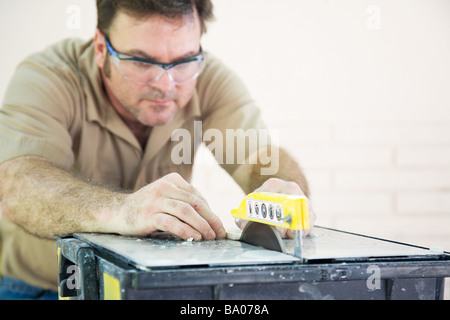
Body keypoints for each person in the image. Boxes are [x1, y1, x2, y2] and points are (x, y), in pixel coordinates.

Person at [0, 0, 314, 299]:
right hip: (41, 287)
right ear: (100, 49)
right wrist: (125, 209)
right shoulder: (51, 76)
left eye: (182, 61)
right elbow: (18, 185)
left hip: (153, 286)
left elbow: (255, 158)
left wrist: (282, 191)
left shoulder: (207, 78)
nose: (166, 84)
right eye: (141, 61)